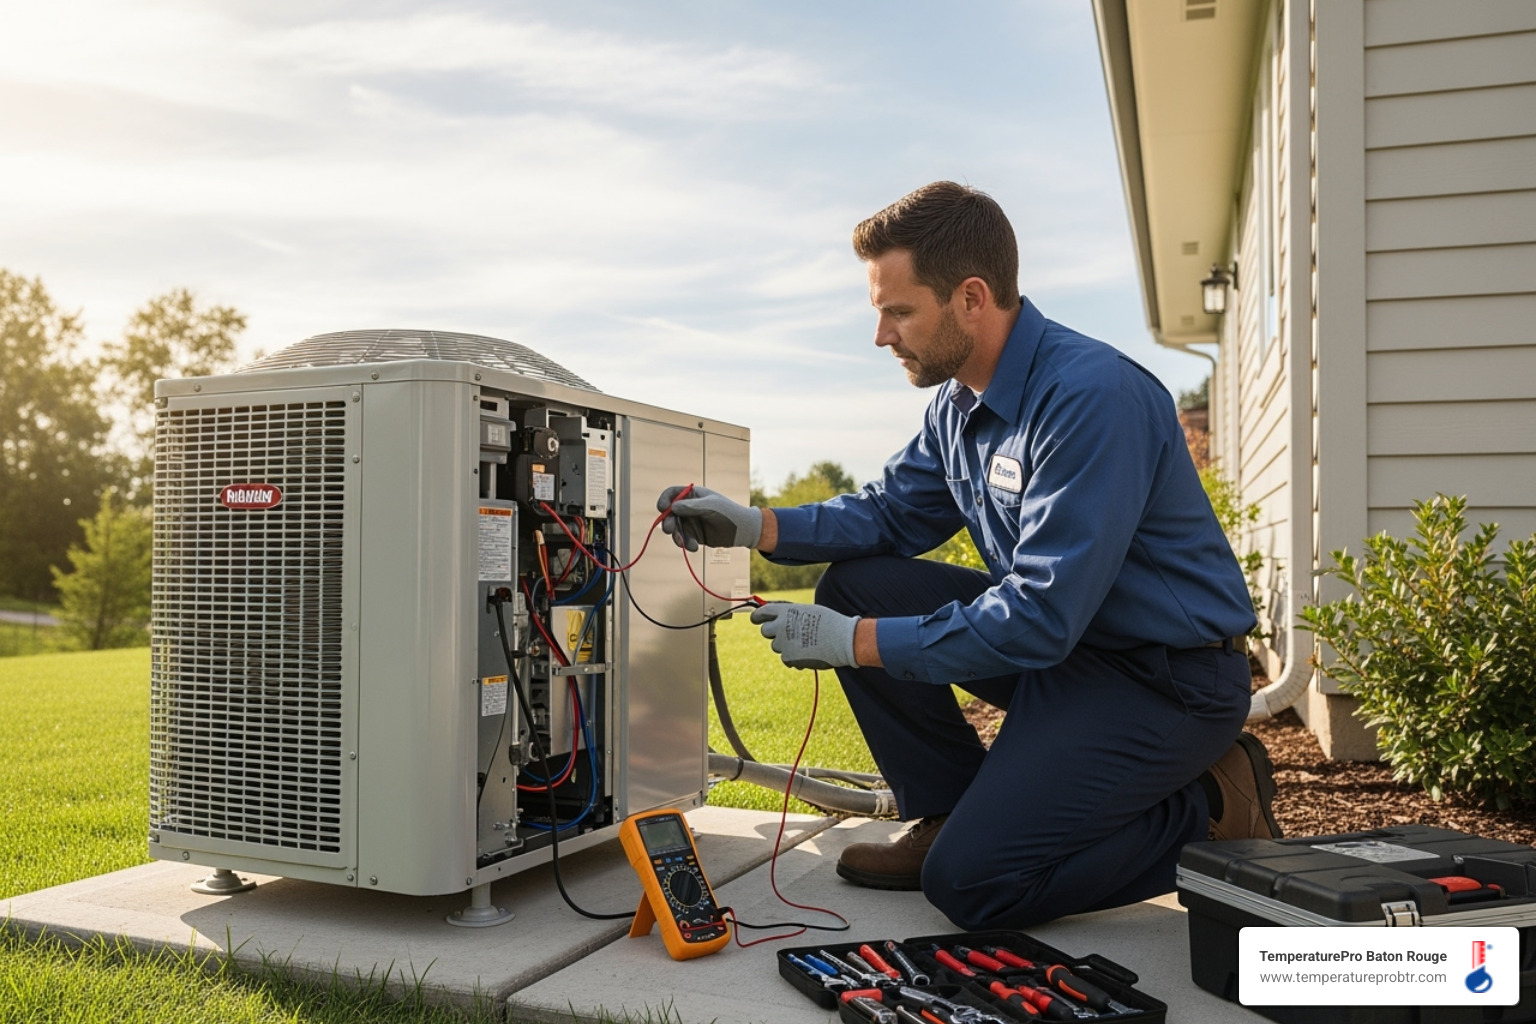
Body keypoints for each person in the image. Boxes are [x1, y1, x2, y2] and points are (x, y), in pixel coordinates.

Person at [658, 181, 1280, 930]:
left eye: (899, 312)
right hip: (1069, 656)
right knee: (860, 584)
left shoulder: (1091, 397)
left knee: (976, 885)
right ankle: (948, 813)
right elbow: (887, 515)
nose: (882, 336)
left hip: (1161, 680)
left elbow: (1042, 613)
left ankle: (1210, 810)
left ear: (972, 298)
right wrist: (753, 526)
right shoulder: (957, 409)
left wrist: (851, 645)